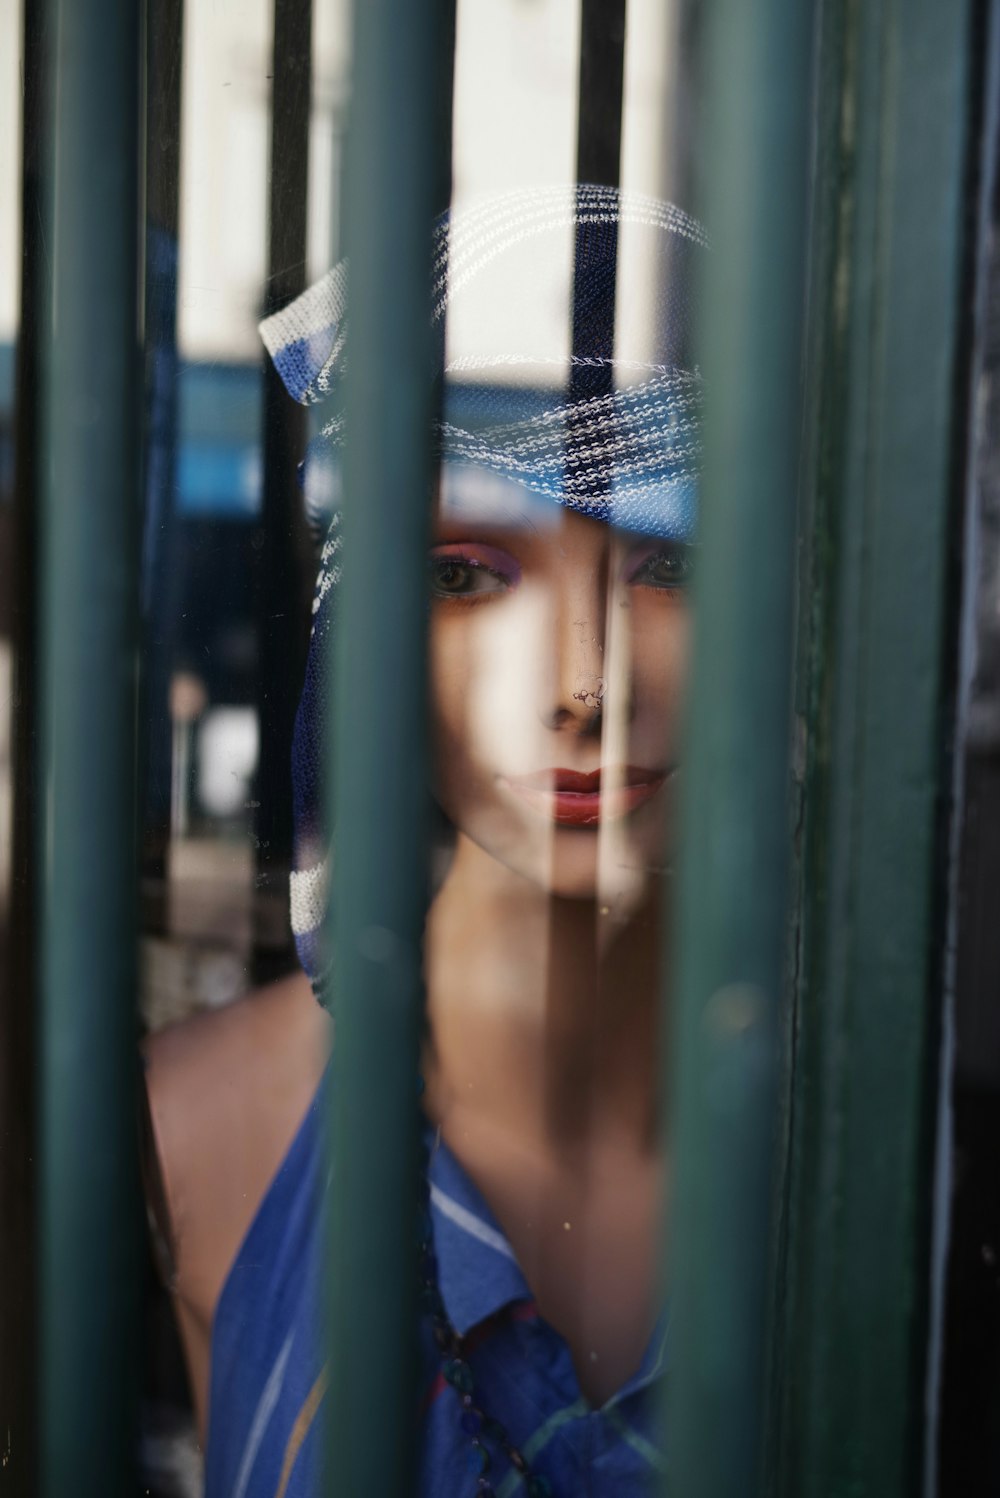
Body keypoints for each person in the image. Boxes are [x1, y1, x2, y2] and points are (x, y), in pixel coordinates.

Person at [143, 184, 705, 1496]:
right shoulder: (197, 1127)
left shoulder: (869, 1146)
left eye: (670, 566)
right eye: (469, 574)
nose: (585, 683)